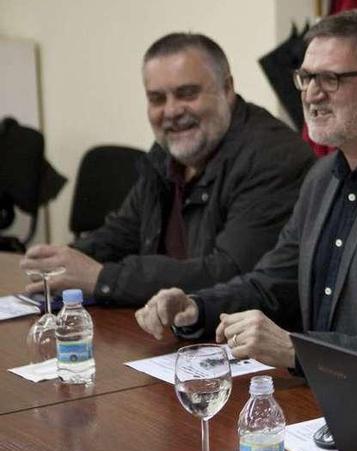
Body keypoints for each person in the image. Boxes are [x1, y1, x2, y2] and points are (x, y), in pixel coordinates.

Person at [135, 10, 357, 384]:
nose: (311, 94)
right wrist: (197, 307)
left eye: (331, 78)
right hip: (327, 400)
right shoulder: (322, 176)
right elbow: (274, 282)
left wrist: (297, 350)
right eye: (306, 77)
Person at [19, 33, 315, 306]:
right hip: (162, 330)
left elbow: (231, 274)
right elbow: (124, 231)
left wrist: (103, 279)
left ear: (226, 89)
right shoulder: (165, 153)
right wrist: (60, 261)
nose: (171, 111)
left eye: (187, 93)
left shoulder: (274, 157)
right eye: (157, 99)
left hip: (235, 344)